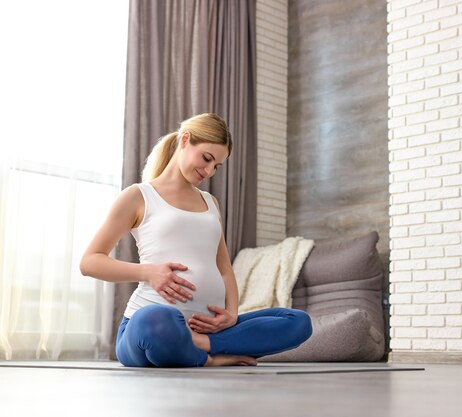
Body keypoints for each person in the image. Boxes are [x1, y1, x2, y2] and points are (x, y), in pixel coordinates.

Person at [80, 113, 312, 367]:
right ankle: (209, 359)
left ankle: (201, 346)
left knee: (298, 322)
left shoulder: (211, 203)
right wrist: (148, 272)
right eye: (207, 158)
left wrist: (232, 315)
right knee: (157, 322)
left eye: (217, 166)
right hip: (148, 326)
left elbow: (224, 268)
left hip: (209, 329)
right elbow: (90, 262)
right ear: (185, 140)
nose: (209, 171)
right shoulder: (139, 196)